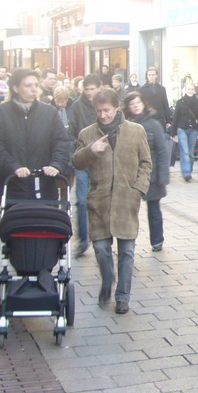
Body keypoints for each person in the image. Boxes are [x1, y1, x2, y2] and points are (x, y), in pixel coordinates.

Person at [72, 87, 152, 315]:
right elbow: (76, 162)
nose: (103, 115)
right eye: (99, 111)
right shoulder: (87, 133)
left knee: (126, 251)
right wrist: (90, 150)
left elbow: (146, 163)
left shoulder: (136, 131)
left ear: (117, 108)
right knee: (101, 248)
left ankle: (123, 297)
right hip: (100, 201)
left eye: (107, 110)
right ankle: (107, 280)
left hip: (127, 200)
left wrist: (139, 189)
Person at [0, 67, 70, 204]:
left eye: (36, 85)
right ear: (16, 88)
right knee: (15, 224)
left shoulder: (49, 113)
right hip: (12, 185)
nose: (34, 89)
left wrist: (56, 165)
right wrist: (13, 167)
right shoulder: (0, 113)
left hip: (44, 185)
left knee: (46, 223)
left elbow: (61, 142)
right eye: (28, 85)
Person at [123, 90, 169, 253]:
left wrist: (163, 176)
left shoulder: (153, 125)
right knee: (129, 210)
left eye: (138, 103)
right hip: (130, 174)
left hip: (152, 174)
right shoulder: (125, 124)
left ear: (143, 104)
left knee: (154, 210)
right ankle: (128, 240)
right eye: (132, 104)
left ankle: (157, 240)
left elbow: (162, 151)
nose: (135, 106)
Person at [69, 74, 102, 256]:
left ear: (99, 87)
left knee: (102, 201)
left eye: (92, 89)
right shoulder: (76, 106)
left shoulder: (105, 103)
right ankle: (83, 239)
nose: (89, 93)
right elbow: (72, 133)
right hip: (82, 160)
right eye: (87, 89)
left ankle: (102, 237)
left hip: (102, 160)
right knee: (82, 201)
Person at [171, 82, 198, 182]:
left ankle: (189, 172)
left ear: (194, 91)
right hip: (182, 129)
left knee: (191, 153)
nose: (190, 91)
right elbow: (176, 117)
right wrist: (172, 133)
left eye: (192, 89)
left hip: (193, 130)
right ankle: (185, 172)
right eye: (188, 89)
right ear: (185, 90)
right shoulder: (180, 102)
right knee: (185, 152)